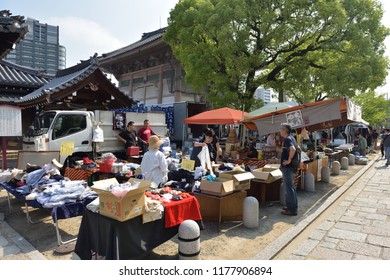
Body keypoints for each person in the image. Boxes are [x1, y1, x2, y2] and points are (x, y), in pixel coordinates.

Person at [279, 123, 298, 216]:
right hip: (291, 167)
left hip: (288, 167)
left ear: (285, 130)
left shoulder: (287, 139)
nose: (280, 131)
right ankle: (291, 206)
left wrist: (289, 160)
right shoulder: (292, 138)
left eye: (281, 129)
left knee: (289, 188)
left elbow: (293, 149)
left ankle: (292, 209)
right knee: (291, 188)